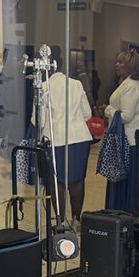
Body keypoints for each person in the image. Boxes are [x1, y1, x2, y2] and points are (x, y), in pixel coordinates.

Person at [42, 48, 93, 228]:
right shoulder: (76, 84)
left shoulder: (44, 87)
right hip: (79, 137)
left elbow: (39, 120)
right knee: (77, 180)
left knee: (57, 181)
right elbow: (87, 114)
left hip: (56, 139)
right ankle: (76, 220)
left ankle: (61, 220)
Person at [101, 49, 139, 213]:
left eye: (121, 62)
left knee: (128, 183)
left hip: (130, 142)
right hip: (128, 140)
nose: (117, 64)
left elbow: (126, 116)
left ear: (130, 67)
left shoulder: (130, 87)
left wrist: (108, 110)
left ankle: (125, 214)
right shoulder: (128, 84)